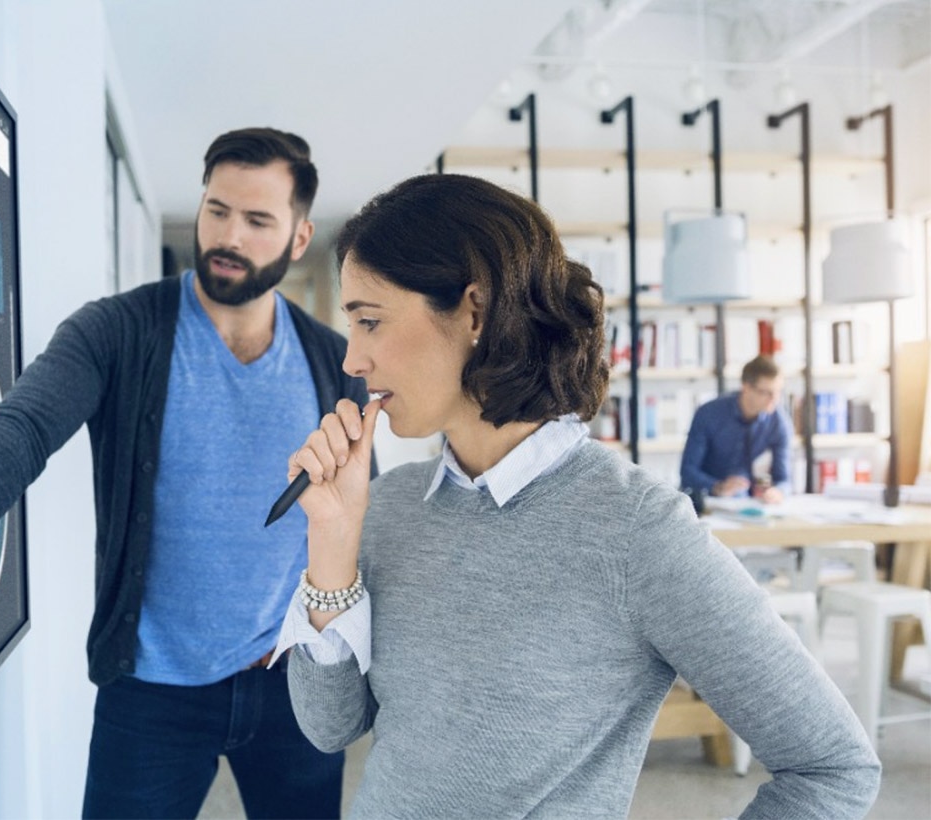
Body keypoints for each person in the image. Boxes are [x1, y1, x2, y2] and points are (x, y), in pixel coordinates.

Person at [270, 173, 880, 817]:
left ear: (475, 312)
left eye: (369, 321)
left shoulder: (636, 530)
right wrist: (332, 543)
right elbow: (329, 727)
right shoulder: (388, 503)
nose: (352, 360)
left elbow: (831, 767)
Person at [0, 128, 368, 819]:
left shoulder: (335, 363)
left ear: (297, 236)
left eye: (257, 221)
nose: (229, 235)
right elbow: (22, 424)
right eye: (216, 209)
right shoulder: (117, 332)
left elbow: (353, 522)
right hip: (152, 692)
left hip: (292, 683)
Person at [681, 355, 794, 504]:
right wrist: (718, 487)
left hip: (747, 503)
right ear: (746, 388)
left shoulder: (779, 422)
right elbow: (688, 472)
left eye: (778, 391)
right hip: (704, 501)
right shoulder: (708, 413)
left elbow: (784, 479)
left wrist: (777, 492)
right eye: (766, 392)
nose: (774, 399)